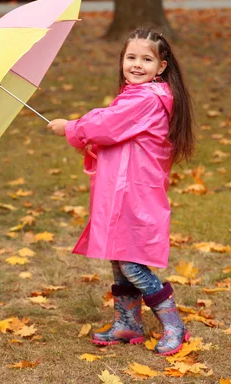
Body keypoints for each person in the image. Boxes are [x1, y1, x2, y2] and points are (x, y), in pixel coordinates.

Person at [47, 27, 195, 356]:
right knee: (119, 254)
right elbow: (112, 125)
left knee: (130, 260)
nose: (137, 64)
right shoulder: (133, 95)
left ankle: (173, 323)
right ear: (122, 61)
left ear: (162, 67)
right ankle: (127, 322)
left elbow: (107, 124)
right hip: (121, 187)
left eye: (146, 59)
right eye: (131, 57)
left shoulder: (148, 97)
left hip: (136, 191)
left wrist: (70, 127)